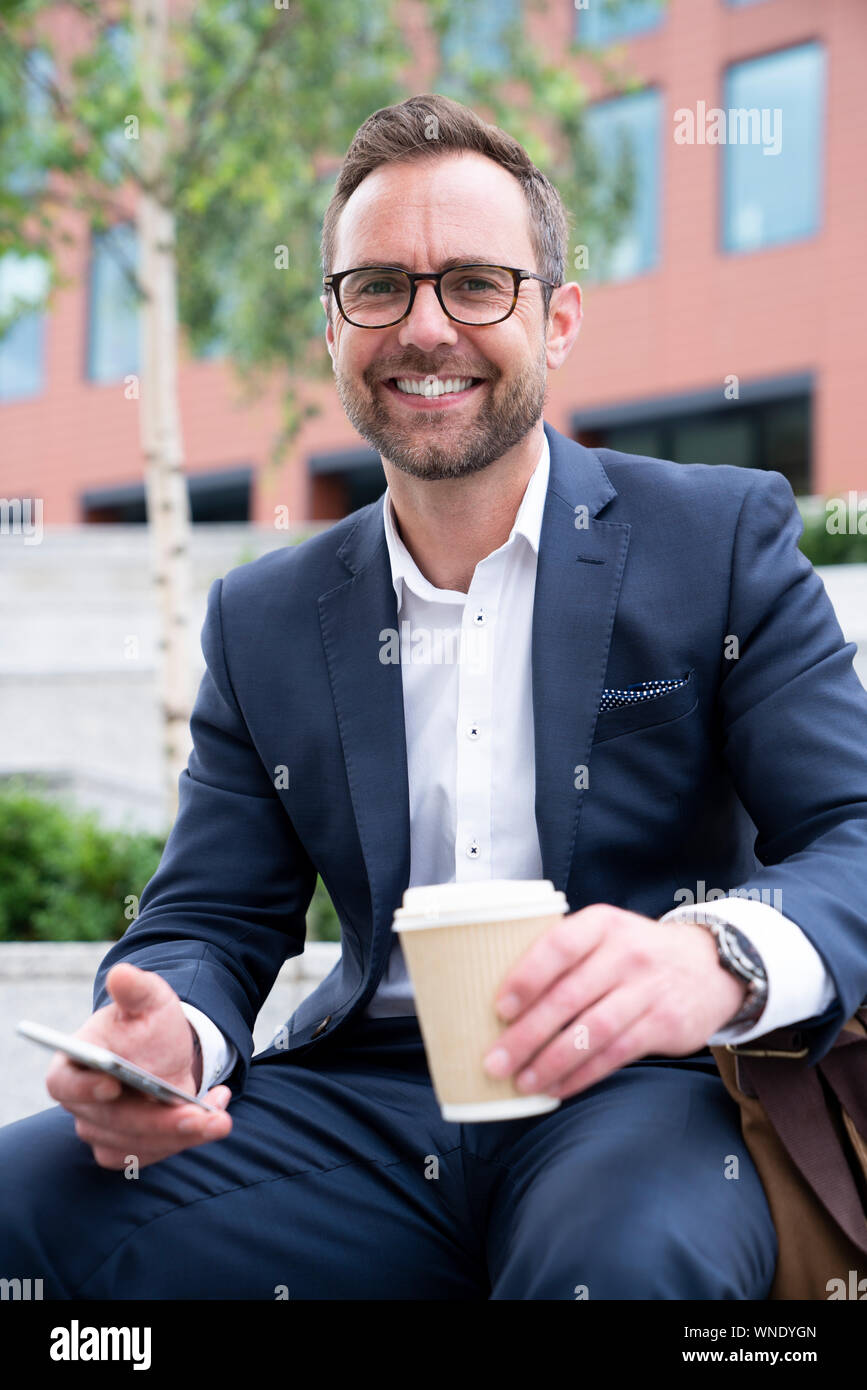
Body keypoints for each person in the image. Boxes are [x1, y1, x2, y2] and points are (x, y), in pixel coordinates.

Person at [2, 93, 866, 1300]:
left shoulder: (717, 537)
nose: (425, 328)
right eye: (378, 288)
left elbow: (854, 834)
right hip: (355, 1103)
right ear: (331, 327)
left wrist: (715, 955)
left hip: (639, 1091)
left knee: (611, 1267)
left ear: (557, 319)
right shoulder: (264, 618)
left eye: (475, 283)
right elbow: (211, 920)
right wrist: (168, 1039)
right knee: (23, 1205)